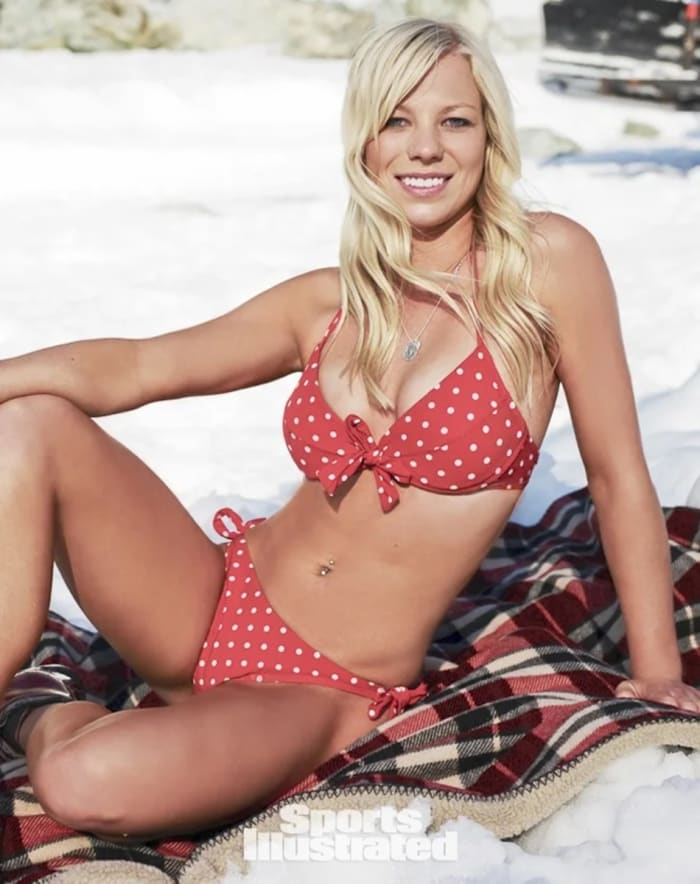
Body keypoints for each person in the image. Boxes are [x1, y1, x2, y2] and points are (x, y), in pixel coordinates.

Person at [0, 16, 698, 844]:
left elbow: (618, 475)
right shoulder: (330, 300)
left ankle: (40, 711)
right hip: (211, 597)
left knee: (82, 782)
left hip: (322, 684)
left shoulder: (548, 266)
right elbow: (139, 366)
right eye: (397, 120)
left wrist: (657, 673)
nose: (425, 146)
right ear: (365, 142)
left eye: (454, 120)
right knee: (30, 423)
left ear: (489, 136)